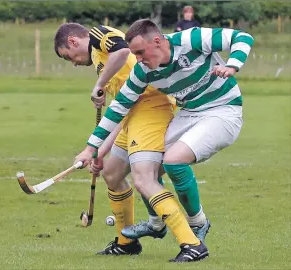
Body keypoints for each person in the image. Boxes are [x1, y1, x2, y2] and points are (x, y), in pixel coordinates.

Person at [74, 19, 254, 262]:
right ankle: (156, 223)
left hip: (223, 110)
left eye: (140, 52)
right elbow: (118, 107)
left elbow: (242, 37)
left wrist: (233, 65)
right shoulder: (143, 71)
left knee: (173, 160)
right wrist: (90, 148)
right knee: (150, 164)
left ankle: (197, 224)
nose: (137, 59)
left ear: (157, 41)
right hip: (190, 113)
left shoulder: (190, 40)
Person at [54, 23, 204, 259]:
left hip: (152, 105)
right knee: (112, 174)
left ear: (73, 41)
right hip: (133, 113)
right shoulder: (97, 57)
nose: (72, 62)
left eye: (68, 56)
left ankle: (191, 243)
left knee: (144, 178)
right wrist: (100, 151)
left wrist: (99, 84)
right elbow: (123, 108)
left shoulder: (97, 35)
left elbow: (123, 50)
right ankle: (127, 244)